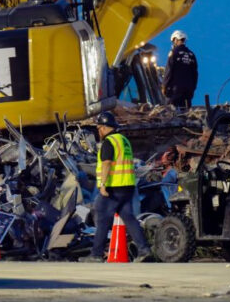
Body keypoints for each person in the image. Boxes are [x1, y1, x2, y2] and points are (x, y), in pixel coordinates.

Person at [81, 111, 151, 262]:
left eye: (99, 128)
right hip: (128, 186)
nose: (98, 131)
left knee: (101, 216)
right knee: (129, 218)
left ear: (105, 127)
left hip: (113, 187)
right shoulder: (123, 140)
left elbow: (106, 163)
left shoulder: (109, 142)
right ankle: (144, 250)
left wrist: (103, 185)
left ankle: (96, 255)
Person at [162, 30, 198, 108]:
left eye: (173, 41)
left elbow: (169, 71)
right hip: (188, 91)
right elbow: (195, 74)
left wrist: (164, 86)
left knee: (170, 113)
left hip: (175, 90)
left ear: (176, 39)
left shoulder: (173, 53)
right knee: (185, 114)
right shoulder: (191, 55)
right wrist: (192, 88)